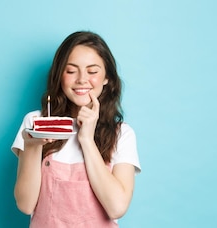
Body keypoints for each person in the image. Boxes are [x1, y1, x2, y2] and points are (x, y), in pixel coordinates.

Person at [11, 31, 141, 227]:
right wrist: (32, 147)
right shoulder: (36, 122)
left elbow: (117, 207)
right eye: (71, 71)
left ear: (107, 78)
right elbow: (25, 204)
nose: (81, 79)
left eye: (92, 71)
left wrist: (87, 140)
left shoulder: (122, 134)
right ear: (59, 76)